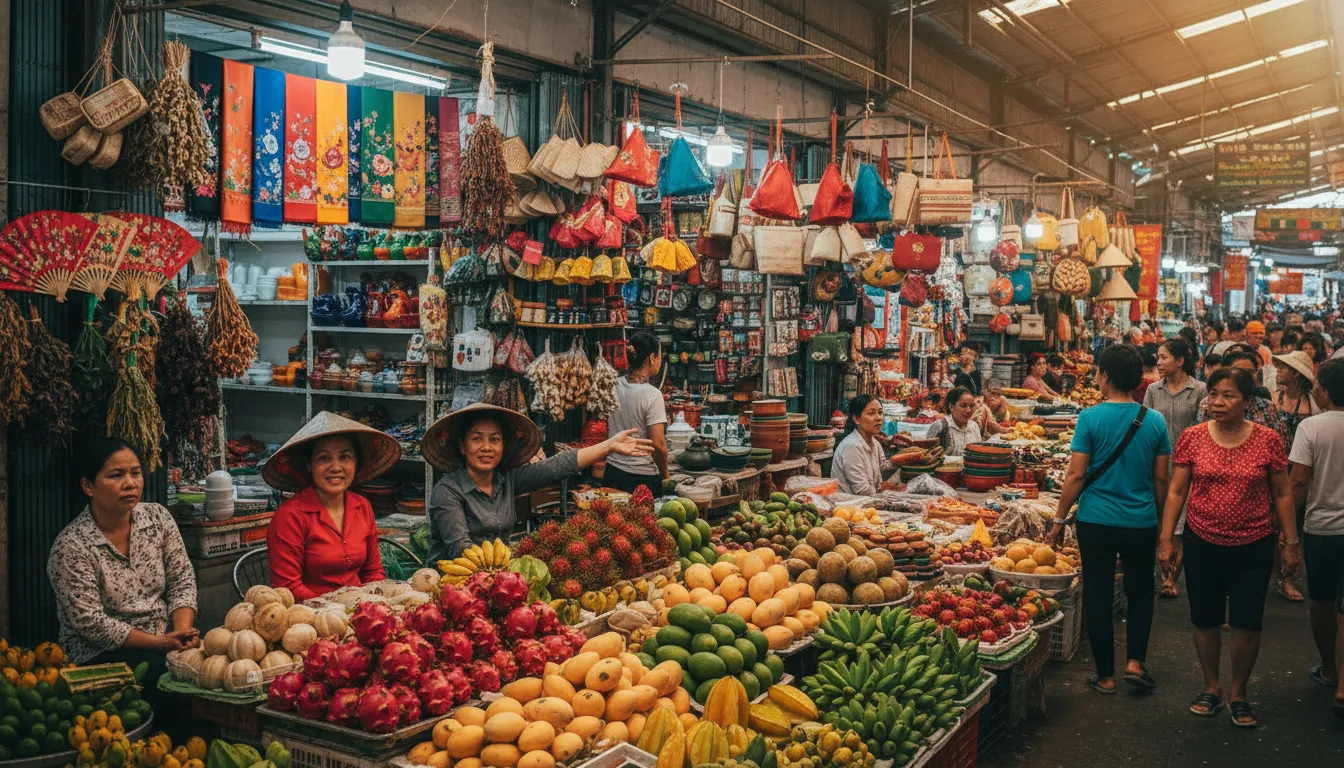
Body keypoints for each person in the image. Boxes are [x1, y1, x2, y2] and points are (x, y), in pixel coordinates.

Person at [1160, 368, 1299, 728]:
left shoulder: (1268, 440)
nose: (1217, 403)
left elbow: (1283, 493)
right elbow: (1177, 491)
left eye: (1228, 396)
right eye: (1214, 395)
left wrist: (1290, 542)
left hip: (1254, 543)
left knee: (1247, 621)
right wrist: (1167, 538)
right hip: (1202, 539)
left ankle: (1239, 692)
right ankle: (1211, 686)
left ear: (1247, 401)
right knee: (1204, 618)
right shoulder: (1192, 437)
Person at [1050, 344, 1171, 695]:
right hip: (1140, 521)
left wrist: (1058, 520)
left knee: (1099, 594)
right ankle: (1135, 662)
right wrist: (1162, 523)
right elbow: (1161, 479)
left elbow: (1075, 476)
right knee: (1140, 591)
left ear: (1104, 377)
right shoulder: (1155, 421)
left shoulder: (1090, 418)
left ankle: (1105, 675)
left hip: (1096, 521)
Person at [47, 438, 199, 714]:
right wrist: (158, 645)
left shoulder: (158, 519)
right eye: (116, 475)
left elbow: (182, 580)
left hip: (163, 640)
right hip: (99, 656)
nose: (130, 483)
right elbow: (90, 623)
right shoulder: (72, 546)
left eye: (136, 473)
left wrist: (181, 636)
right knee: (165, 686)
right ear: (88, 486)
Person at [423, 404, 653, 563]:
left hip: (497, 578)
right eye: (476, 439)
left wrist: (608, 446)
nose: (486, 447)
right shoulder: (447, 491)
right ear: (463, 447)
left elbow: (557, 466)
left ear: (503, 446)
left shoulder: (507, 478)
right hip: (451, 586)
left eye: (494, 439)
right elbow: (460, 550)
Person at [264, 411, 403, 600]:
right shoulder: (290, 517)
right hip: (309, 617)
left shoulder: (362, 506)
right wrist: (334, 608)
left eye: (345, 457)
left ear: (356, 462)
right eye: (324, 458)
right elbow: (288, 587)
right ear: (309, 464)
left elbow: (373, 571)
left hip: (358, 609)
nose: (336, 467)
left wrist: (371, 601)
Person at [1288, 358, 1344, 719]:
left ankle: (1329, 668)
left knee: (1322, 600)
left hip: (1321, 529)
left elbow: (1298, 483)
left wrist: (1287, 531)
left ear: (1323, 390)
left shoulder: (1311, 427)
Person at [1144, 338, 1207, 599]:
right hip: (1157, 465)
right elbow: (1145, 425)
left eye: (1164, 357)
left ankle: (1170, 577)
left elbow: (1203, 429)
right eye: (1158, 357)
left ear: (1180, 361)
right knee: (1160, 520)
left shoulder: (1200, 390)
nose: (1158, 362)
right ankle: (1161, 571)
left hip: (1188, 467)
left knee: (1179, 524)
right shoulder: (1152, 391)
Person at [1271, 351, 1321, 602]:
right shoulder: (1272, 399)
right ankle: (1276, 574)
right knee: (1271, 523)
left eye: (1284, 367)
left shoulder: (1313, 404)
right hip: (1273, 468)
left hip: (1300, 468)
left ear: (1297, 374)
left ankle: (1288, 578)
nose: (1278, 370)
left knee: (1293, 524)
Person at [604, 332, 669, 498]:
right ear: (652, 358)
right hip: (642, 478)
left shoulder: (613, 384)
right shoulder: (652, 395)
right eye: (660, 356)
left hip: (612, 471)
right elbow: (659, 445)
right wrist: (665, 476)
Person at [1196, 350, 1289, 449]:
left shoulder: (1266, 407)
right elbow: (1199, 443)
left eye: (1251, 372)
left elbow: (1281, 446)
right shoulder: (1208, 405)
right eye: (1240, 371)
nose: (1247, 376)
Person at [831, 395, 890, 495]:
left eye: (880, 413)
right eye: (871, 413)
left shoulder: (875, 444)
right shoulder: (851, 447)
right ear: (857, 419)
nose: (879, 418)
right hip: (850, 507)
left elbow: (881, 477)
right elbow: (863, 491)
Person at [925, 387, 983, 457]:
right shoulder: (940, 426)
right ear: (951, 407)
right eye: (963, 406)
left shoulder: (974, 426)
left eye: (971, 406)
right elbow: (927, 456)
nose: (968, 410)